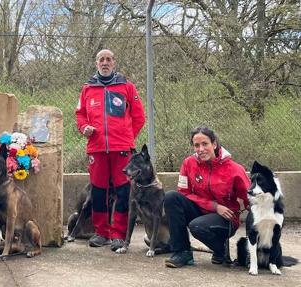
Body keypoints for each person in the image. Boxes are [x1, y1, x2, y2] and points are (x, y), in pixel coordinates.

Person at [75, 49, 146, 251]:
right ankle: (101, 233)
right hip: (96, 148)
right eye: (101, 59)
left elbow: (139, 116)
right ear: (96, 63)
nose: (105, 63)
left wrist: (126, 137)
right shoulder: (87, 88)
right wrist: (84, 128)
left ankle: (118, 235)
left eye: (108, 59)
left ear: (114, 63)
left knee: (123, 191)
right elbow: (80, 115)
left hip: (122, 149)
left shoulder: (127, 87)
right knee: (98, 191)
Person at [164, 126, 250, 268]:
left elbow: (249, 199)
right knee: (171, 197)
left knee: (197, 226)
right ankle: (182, 252)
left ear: (214, 144)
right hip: (202, 210)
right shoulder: (188, 163)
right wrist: (214, 206)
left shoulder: (234, 169)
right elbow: (183, 192)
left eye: (205, 144)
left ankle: (221, 249)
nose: (201, 149)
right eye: (196, 145)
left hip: (225, 218)